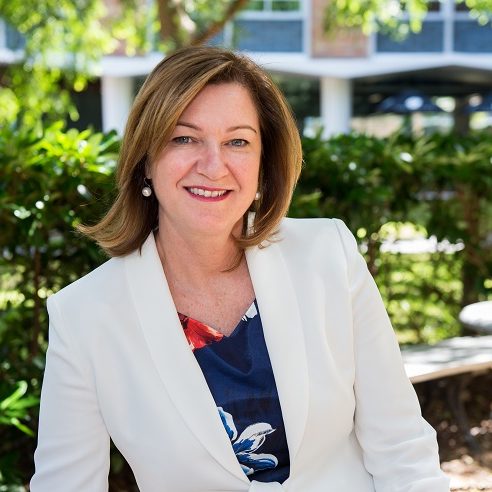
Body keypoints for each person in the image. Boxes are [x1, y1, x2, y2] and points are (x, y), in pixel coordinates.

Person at [30, 46, 450, 492]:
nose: (213, 166)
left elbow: (403, 449)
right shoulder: (83, 316)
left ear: (262, 165)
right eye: (184, 137)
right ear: (145, 160)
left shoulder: (329, 254)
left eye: (238, 141)